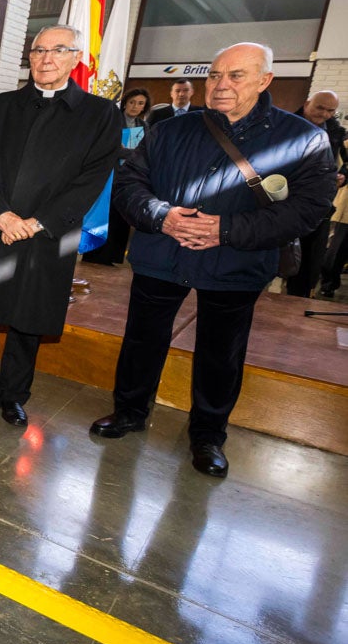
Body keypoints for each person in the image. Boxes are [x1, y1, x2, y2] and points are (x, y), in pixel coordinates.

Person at [92, 43, 336, 478]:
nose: (221, 85)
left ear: (265, 81)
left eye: (236, 76)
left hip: (236, 262)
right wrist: (161, 216)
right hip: (160, 255)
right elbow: (130, 183)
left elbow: (309, 208)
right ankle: (129, 411)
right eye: (214, 75)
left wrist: (225, 230)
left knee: (221, 353)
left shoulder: (302, 138)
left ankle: (207, 435)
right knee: (142, 340)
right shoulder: (169, 128)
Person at [0, 25, 122, 426]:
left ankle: (13, 394)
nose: (46, 59)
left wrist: (38, 221)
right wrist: (2, 215)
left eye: (58, 50)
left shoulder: (100, 115)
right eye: (38, 50)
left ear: (76, 58)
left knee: (29, 319)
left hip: (47, 234)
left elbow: (93, 177)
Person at [285, 91, 345, 297]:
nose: (325, 114)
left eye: (331, 111)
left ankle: (295, 306)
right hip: (282, 203)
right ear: (307, 103)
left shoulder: (336, 133)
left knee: (307, 264)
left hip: (316, 208)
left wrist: (341, 176)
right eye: (320, 108)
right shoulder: (283, 126)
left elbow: (345, 164)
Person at [83, 87, 150, 266]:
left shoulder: (144, 126)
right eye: (132, 102)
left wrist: (130, 153)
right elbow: (111, 149)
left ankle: (113, 255)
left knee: (122, 215)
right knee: (106, 213)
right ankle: (96, 254)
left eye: (140, 103)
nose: (135, 106)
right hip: (108, 175)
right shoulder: (113, 121)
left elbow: (146, 152)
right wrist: (133, 153)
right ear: (125, 103)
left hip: (129, 177)